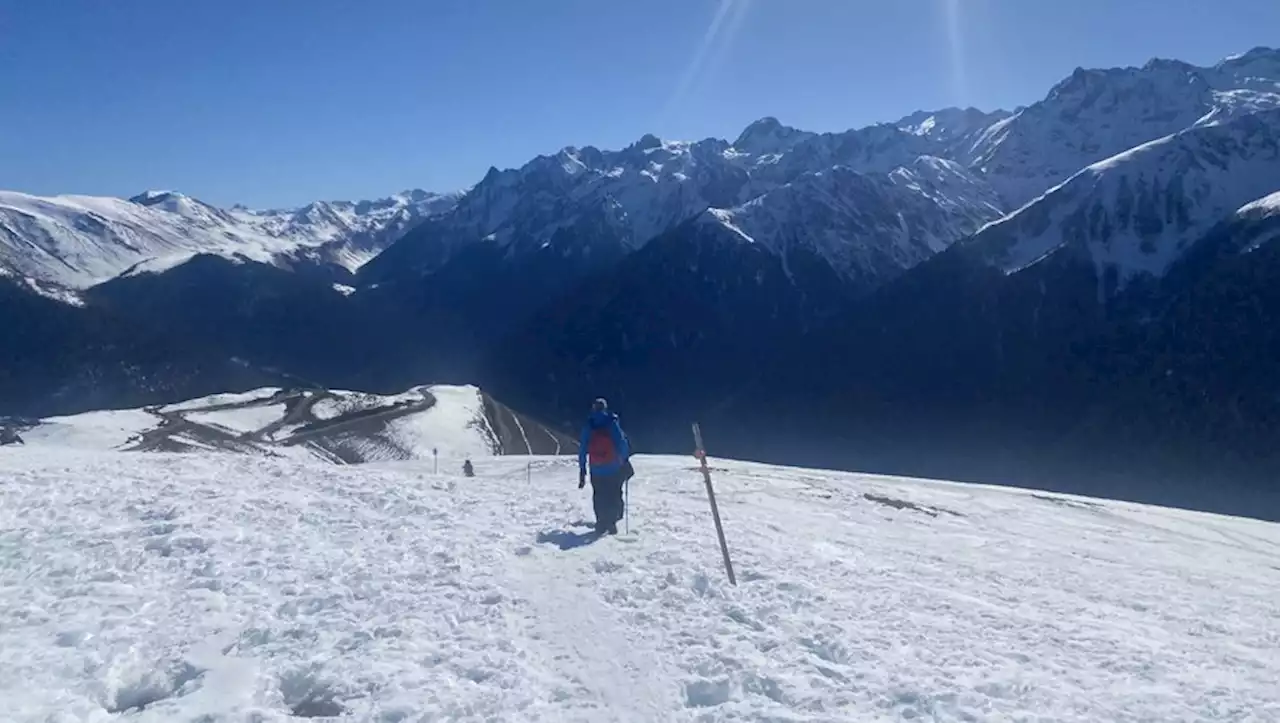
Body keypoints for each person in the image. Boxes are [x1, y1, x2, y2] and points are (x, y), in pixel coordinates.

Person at [578, 398, 631, 535]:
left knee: (599, 495)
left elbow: (583, 448)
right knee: (613, 494)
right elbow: (622, 443)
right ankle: (612, 523)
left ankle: (601, 523)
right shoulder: (611, 423)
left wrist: (582, 469)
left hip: (596, 469)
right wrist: (624, 461)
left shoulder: (589, 425)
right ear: (605, 408)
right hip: (613, 467)